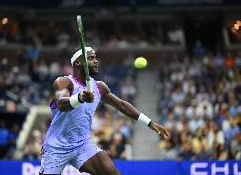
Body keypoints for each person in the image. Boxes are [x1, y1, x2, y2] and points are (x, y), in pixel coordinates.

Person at [39, 47, 170, 175]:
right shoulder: (63, 82)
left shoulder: (99, 87)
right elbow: (61, 103)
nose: (96, 61)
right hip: (56, 147)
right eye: (90, 58)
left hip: (82, 145)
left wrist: (150, 122)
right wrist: (80, 97)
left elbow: (122, 105)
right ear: (78, 63)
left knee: (111, 172)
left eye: (95, 58)